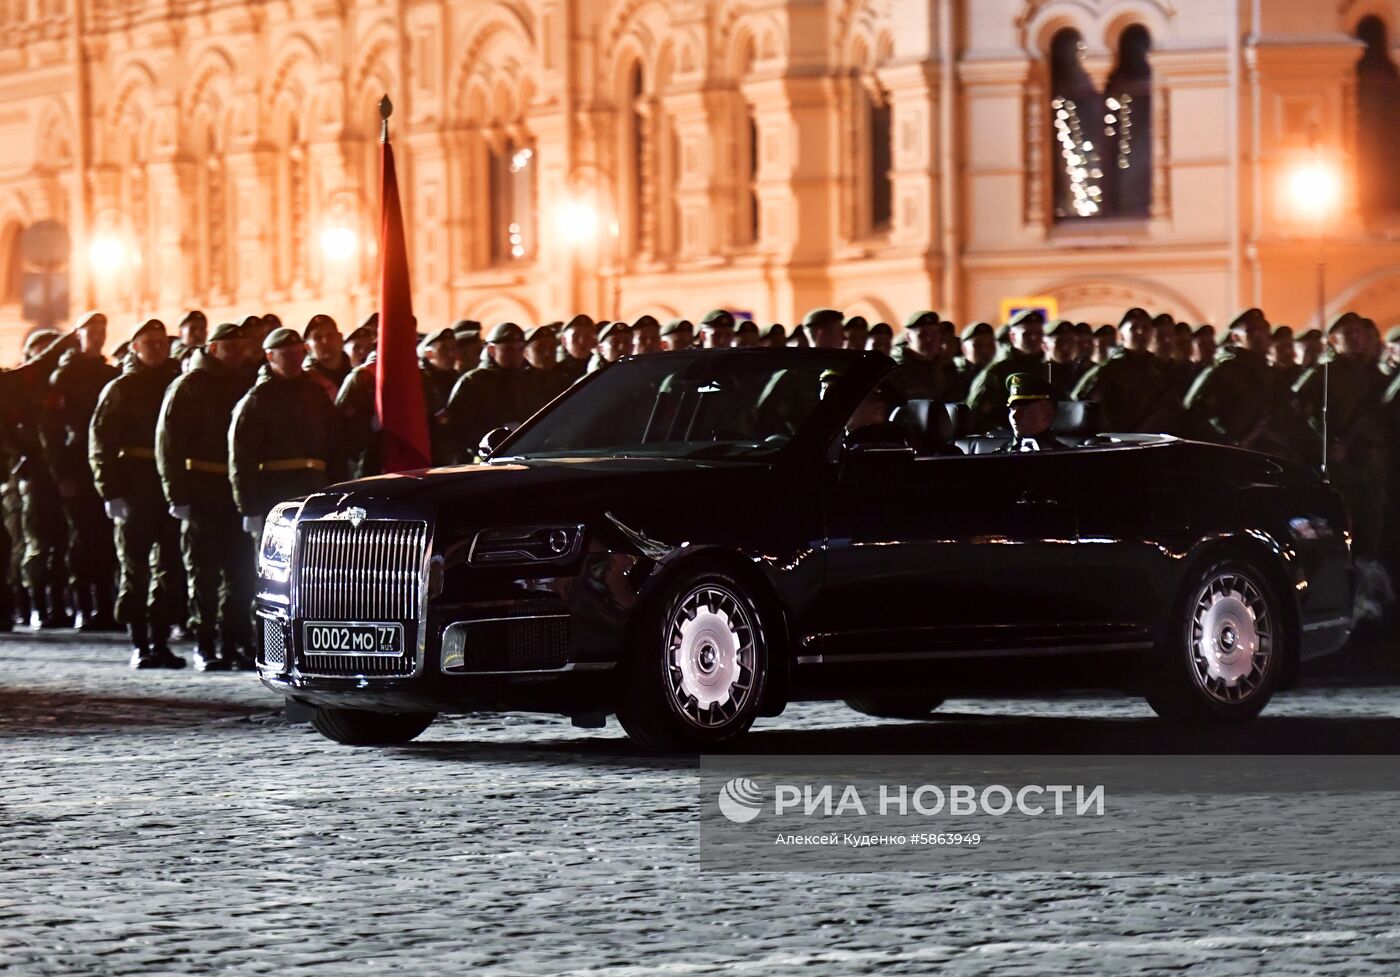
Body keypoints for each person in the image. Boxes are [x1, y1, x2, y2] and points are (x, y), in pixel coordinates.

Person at [156, 321, 255, 671]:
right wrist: (177, 494)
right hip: (202, 489)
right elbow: (168, 444)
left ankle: (235, 641)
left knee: (240, 571)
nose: (239, 352)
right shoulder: (189, 386)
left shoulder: (247, 383)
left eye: (242, 346)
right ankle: (205, 642)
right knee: (204, 571)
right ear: (213, 349)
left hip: (236, 490)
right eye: (231, 347)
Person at [89, 319, 186, 669]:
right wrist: (110, 490)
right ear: (135, 347)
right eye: (150, 343)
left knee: (170, 567)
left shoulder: (179, 385)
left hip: (167, 485)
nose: (158, 348)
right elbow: (100, 442)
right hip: (134, 484)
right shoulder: (122, 389)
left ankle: (160, 639)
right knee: (135, 567)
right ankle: (139, 641)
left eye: (162, 342)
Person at [41, 311, 119, 630]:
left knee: (105, 538)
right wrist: (62, 474)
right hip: (76, 464)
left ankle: (105, 605)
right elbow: (51, 429)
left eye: (102, 330)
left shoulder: (110, 374)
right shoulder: (64, 376)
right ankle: (84, 606)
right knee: (82, 539)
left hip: (106, 465)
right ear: (79, 334)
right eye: (92, 330)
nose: (98, 335)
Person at [229, 327, 345, 543]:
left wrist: (339, 491)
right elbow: (241, 458)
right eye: (287, 354)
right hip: (275, 492)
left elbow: (335, 446)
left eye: (298, 353)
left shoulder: (316, 394)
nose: (294, 359)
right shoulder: (257, 400)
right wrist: (249, 507)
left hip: (317, 489)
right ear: (270, 356)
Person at [1293, 312, 1388, 559]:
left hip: (1369, 464)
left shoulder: (1367, 371)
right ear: (1334, 339)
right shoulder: (1324, 373)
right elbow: (1298, 411)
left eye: (1358, 332)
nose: (1355, 338)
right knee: (1344, 529)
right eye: (1348, 334)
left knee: (1371, 531)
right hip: (1340, 464)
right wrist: (1326, 441)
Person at [1182, 308, 1310, 461]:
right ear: (1236, 337)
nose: (1260, 336)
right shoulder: (1223, 371)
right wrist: (1226, 443)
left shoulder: (1273, 375)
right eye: (1251, 331)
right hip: (1231, 458)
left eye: (1264, 330)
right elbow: (1195, 417)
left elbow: (1288, 418)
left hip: (1270, 457)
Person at [9, 330, 74, 628]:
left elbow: (40, 365)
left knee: (54, 538)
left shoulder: (13, 382)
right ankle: (27, 604)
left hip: (39, 468)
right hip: (24, 473)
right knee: (28, 541)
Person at [1071, 307, 1176, 434]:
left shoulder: (1160, 369)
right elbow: (1083, 406)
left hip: (1153, 441)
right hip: (1117, 441)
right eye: (1134, 328)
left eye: (1146, 328)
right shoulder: (1108, 369)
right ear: (1122, 335)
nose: (1140, 332)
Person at [443, 322, 535, 461]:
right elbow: (458, 428)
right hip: (484, 456)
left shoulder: (528, 379)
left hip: (524, 454)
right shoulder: (474, 381)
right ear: (492, 350)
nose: (516, 355)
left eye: (520, 349)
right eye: (509, 350)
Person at [966, 309, 1046, 431]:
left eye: (1039, 333)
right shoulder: (998, 370)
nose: (1034, 338)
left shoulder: (1047, 367)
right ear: (1013, 337)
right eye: (1027, 334)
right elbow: (976, 412)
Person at [999, 373, 1066, 452]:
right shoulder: (1000, 454)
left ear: (1047, 413)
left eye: (1024, 409)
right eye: (1012, 409)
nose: (1014, 416)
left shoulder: (1066, 457)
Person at [891, 310, 945, 401]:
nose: (929, 339)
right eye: (922, 335)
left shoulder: (944, 365)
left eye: (934, 333)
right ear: (908, 337)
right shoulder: (897, 370)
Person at [944, 321, 994, 404]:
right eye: (977, 345)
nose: (985, 350)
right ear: (964, 348)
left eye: (990, 345)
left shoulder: (997, 370)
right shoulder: (955, 373)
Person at [303, 314, 350, 401]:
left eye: (330, 335)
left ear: (340, 338)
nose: (326, 341)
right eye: (318, 338)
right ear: (307, 347)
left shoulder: (358, 375)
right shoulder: (305, 381)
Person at [524, 323, 567, 412]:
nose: (547, 354)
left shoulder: (564, 378)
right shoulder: (520, 385)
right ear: (525, 353)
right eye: (540, 348)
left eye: (552, 348)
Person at [1043, 319, 1084, 395]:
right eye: (1059, 342)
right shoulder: (1039, 374)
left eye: (1070, 341)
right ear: (1045, 345)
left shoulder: (1082, 373)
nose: (1066, 347)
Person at [557, 315, 596, 384]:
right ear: (564, 341)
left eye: (587, 337)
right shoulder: (556, 370)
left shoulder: (599, 366)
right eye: (575, 336)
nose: (582, 342)